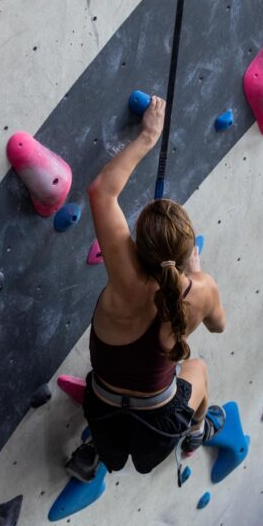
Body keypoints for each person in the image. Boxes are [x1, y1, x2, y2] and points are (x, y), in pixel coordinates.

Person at [65, 96, 228, 480]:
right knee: (198, 368)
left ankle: (94, 454)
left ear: (137, 242)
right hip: (158, 428)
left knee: (114, 432)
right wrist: (198, 276)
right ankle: (195, 433)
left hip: (102, 410)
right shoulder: (201, 290)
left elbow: (102, 192)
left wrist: (148, 135)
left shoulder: (124, 276)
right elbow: (219, 326)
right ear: (187, 252)